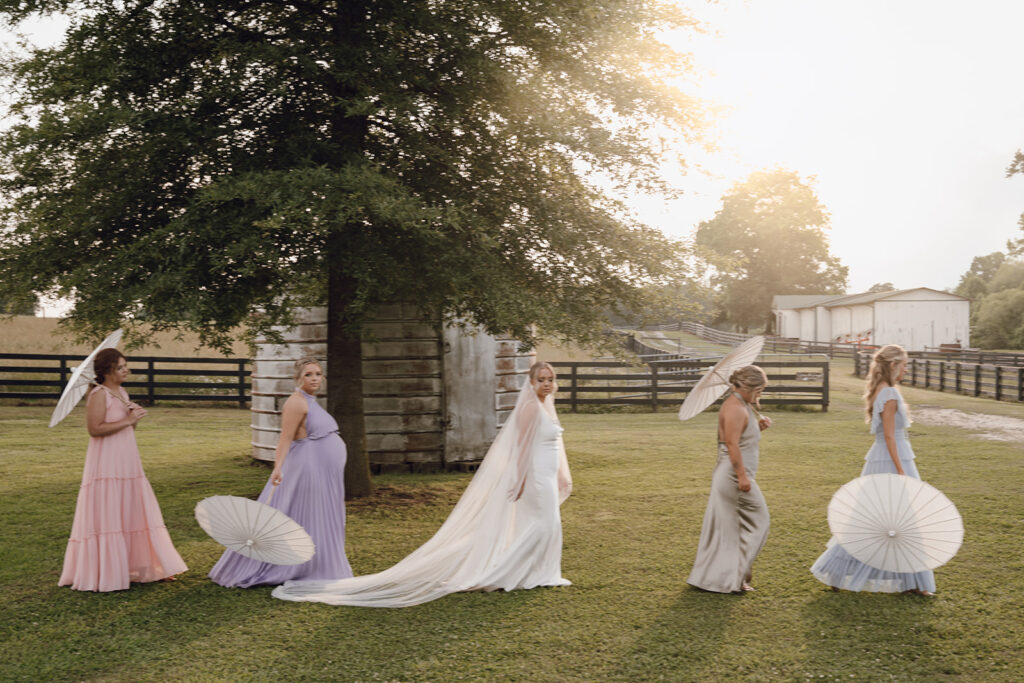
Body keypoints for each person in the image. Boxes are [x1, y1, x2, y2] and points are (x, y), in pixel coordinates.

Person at [271, 361, 572, 607]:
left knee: (546, 524)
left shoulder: (548, 405)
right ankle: (517, 572)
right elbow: (520, 447)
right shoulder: (530, 407)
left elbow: (553, 443)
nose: (546, 384)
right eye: (541, 379)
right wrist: (519, 480)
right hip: (532, 476)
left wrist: (561, 473)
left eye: (550, 379)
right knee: (544, 524)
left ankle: (541, 571)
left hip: (546, 473)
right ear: (531, 383)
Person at [210, 358, 353, 587]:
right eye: (308, 374)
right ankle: (287, 565)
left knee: (318, 513)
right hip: (309, 468)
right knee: (302, 513)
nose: (315, 378)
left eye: (318, 374)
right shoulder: (295, 403)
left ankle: (317, 563)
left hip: (324, 471)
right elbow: (285, 438)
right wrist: (278, 467)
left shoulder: (311, 401)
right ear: (298, 378)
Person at [810, 344, 935, 595]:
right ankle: (912, 583)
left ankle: (909, 581)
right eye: (904, 364)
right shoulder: (888, 393)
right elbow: (889, 436)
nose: (906, 369)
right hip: (893, 459)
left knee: (887, 521)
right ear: (893, 365)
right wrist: (900, 471)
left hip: (888, 457)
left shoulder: (883, 390)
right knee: (901, 521)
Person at [59, 349, 187, 591]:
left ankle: (141, 566)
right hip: (107, 462)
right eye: (120, 367)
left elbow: (126, 429)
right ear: (107, 371)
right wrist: (127, 421)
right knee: (111, 508)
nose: (126, 370)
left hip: (127, 458)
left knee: (130, 507)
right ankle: (108, 571)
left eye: (126, 366)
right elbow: (95, 429)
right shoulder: (98, 394)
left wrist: (132, 418)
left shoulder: (121, 392)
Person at [687, 365, 772, 593]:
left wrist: (758, 427)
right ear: (746, 387)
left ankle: (730, 579)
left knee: (732, 528)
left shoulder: (742, 404)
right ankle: (731, 578)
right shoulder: (734, 407)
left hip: (736, 474)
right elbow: (731, 444)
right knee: (759, 521)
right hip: (733, 476)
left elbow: (741, 438)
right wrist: (742, 477)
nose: (759, 395)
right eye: (758, 390)